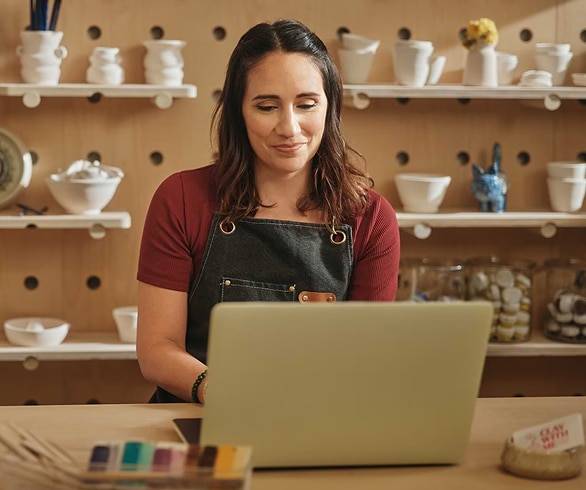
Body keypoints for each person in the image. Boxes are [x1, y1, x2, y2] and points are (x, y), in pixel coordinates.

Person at [136, 19, 401, 403]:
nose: (289, 128)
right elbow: (157, 350)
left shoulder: (372, 218)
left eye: (307, 104)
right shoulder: (180, 198)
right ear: (238, 112)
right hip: (203, 414)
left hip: (319, 417)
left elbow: (366, 358)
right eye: (266, 106)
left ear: (330, 108)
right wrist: (220, 390)